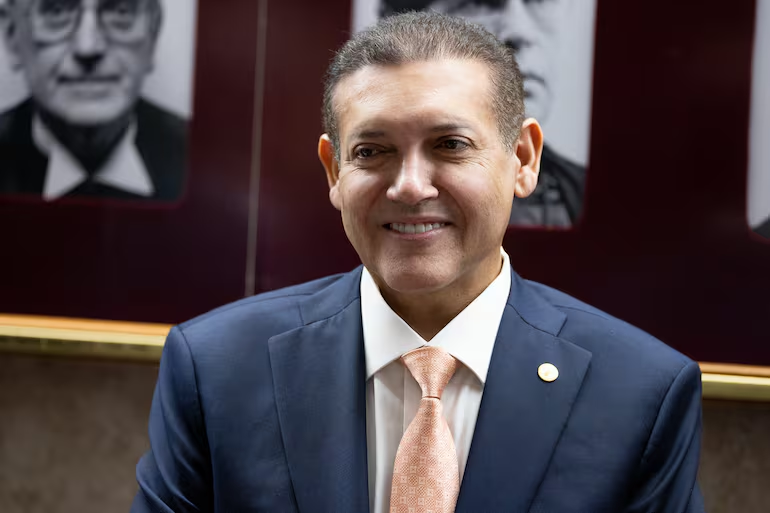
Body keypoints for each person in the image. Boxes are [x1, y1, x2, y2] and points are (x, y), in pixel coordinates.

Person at [131, 12, 704, 513]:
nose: (409, 186)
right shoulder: (217, 369)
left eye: (450, 145)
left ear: (524, 159)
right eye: (372, 151)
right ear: (334, 171)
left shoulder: (639, 393)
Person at [379, 0, 586, 228]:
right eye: (479, 2)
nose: (520, 32)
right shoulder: (373, 193)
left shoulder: (582, 192)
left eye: (540, 1)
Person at [0, 0, 186, 201]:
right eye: (56, 11)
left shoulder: (199, 155)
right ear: (12, 35)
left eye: (121, 11)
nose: (87, 47)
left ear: (153, 34)